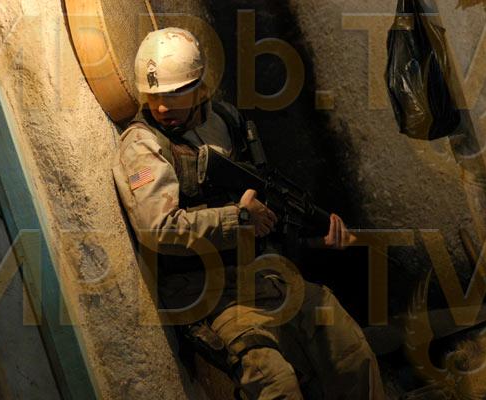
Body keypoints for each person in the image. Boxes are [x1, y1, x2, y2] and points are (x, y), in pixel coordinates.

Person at [113, 27, 385, 400]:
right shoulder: (143, 144)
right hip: (210, 295)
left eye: (174, 94)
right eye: (154, 96)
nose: (162, 107)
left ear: (198, 87)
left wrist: (311, 235)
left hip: (266, 276)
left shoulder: (225, 121)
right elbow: (158, 229)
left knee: (351, 352)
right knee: (277, 385)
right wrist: (238, 218)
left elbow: (266, 203)